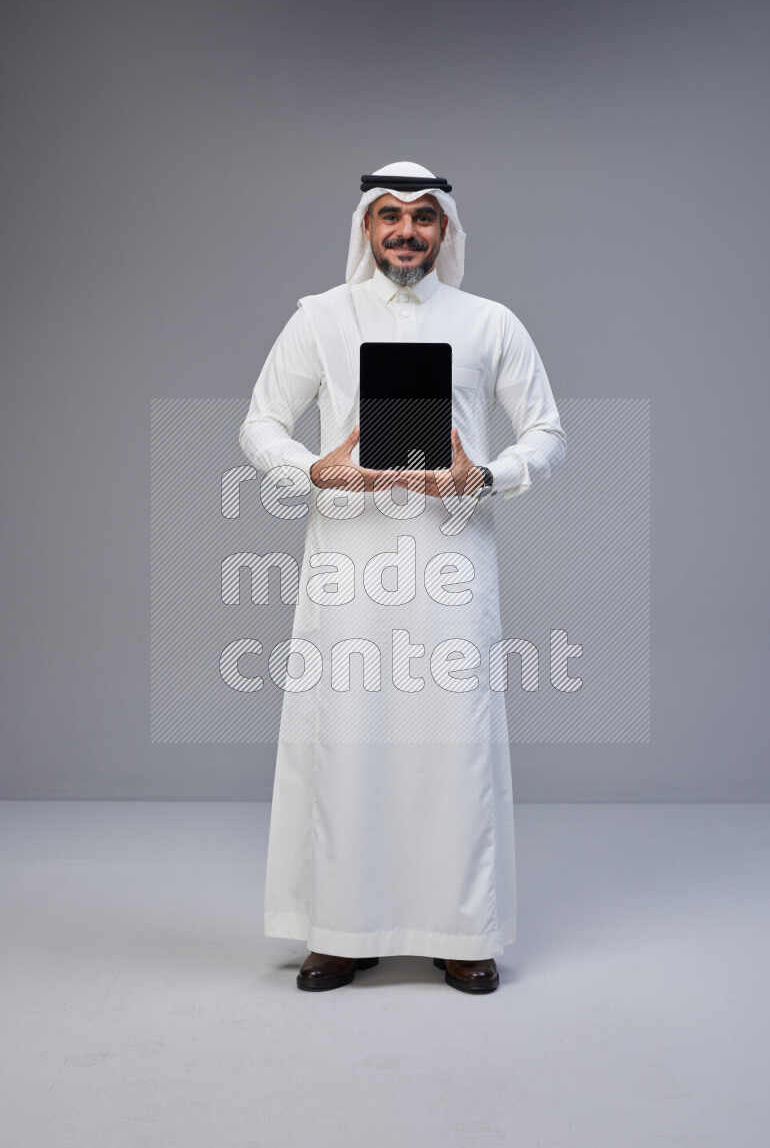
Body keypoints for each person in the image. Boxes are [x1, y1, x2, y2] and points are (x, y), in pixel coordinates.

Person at [239, 161, 566, 994]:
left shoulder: (489, 322)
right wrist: (316, 470)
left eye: (424, 217)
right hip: (348, 569)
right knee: (348, 738)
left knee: (452, 744)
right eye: (390, 215)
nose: (407, 231)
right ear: (365, 226)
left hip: (452, 561)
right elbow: (260, 425)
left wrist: (483, 476)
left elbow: (547, 433)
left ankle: (461, 929)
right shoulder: (321, 318)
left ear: (447, 230)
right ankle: (342, 931)